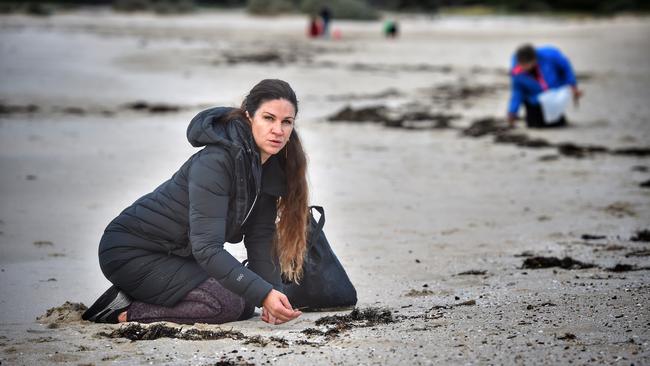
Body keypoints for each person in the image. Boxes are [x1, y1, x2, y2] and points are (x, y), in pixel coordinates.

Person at [82, 79, 308, 326]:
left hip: (178, 255)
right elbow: (207, 248)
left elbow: (261, 237)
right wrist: (263, 294)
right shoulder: (216, 162)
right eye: (269, 118)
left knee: (244, 303)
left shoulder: (269, 165)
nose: (278, 130)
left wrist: (273, 295)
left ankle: (145, 294)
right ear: (248, 116)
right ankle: (119, 310)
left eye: (287, 122)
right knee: (226, 304)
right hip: (131, 252)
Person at [507, 44, 583, 128]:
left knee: (557, 124)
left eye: (526, 65)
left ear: (534, 60)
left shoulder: (551, 55)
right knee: (535, 125)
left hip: (554, 93)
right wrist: (512, 112)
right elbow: (517, 91)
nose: (523, 68)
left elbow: (566, 68)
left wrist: (572, 85)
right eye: (521, 65)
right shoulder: (516, 70)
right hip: (533, 98)